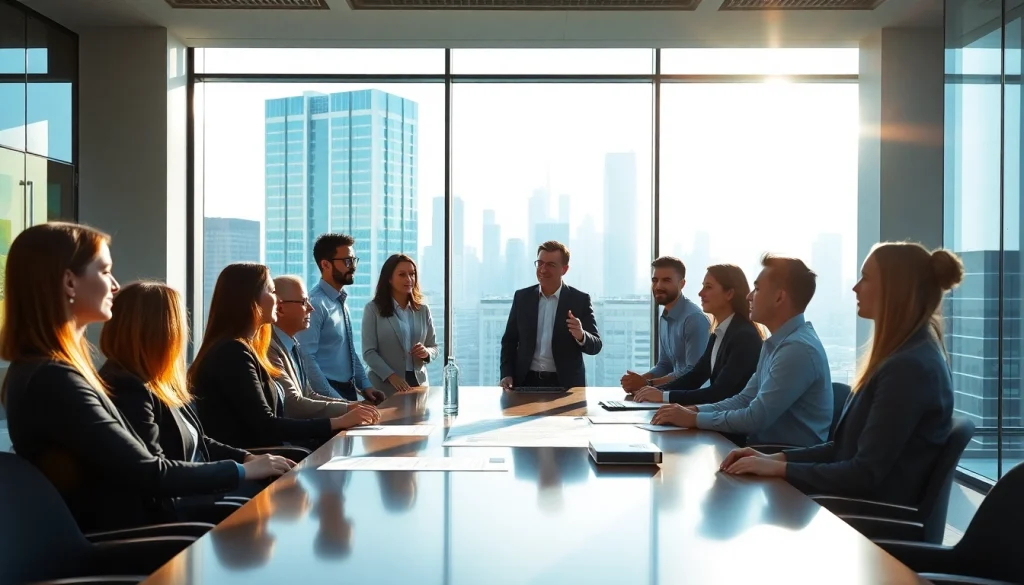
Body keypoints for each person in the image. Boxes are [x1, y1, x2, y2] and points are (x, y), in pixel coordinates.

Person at [0, 223, 288, 532]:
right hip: (131, 541)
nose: (114, 285)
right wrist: (242, 471)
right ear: (70, 282)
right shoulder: (53, 380)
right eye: (104, 271)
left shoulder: (48, 371)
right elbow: (148, 473)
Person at [720, 243, 960, 506]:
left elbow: (864, 474)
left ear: (895, 290)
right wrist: (772, 460)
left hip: (867, 521)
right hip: (854, 505)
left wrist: (779, 468)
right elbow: (843, 449)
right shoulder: (903, 357)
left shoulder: (909, 369)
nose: (855, 287)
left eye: (866, 278)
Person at [99, 281, 293, 503]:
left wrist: (246, 457)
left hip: (202, 491)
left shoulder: (156, 380)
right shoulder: (127, 387)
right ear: (164, 331)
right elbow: (156, 473)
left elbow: (199, 440)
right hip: (183, 507)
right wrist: (241, 471)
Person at [189, 262, 379, 451]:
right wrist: (337, 422)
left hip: (265, 455)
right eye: (272, 292)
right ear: (250, 299)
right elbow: (266, 425)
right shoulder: (233, 353)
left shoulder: (247, 349)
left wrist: (348, 411)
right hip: (255, 461)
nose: (278, 301)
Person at [650, 254, 832, 448]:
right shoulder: (776, 343)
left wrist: (693, 418)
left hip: (782, 458)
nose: (749, 296)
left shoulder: (796, 349)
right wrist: (693, 412)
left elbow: (755, 417)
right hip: (761, 452)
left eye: (758, 289)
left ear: (779, 297)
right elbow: (744, 399)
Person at [633, 264, 763, 405]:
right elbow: (695, 377)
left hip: (733, 421)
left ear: (729, 294)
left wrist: (664, 396)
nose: (700, 293)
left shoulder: (744, 337)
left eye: (708, 287)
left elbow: (719, 393)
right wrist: (652, 391)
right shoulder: (719, 332)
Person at [269, 275, 379, 422]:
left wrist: (353, 406)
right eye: (303, 302)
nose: (310, 308)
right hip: (294, 438)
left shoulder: (293, 344)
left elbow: (308, 394)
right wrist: (346, 410)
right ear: (280, 308)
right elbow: (293, 404)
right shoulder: (270, 349)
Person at [499, 241, 602, 390]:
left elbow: (596, 345)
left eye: (550, 265)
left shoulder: (579, 300)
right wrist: (506, 374)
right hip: (525, 382)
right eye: (540, 263)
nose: (543, 269)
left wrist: (581, 335)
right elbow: (509, 341)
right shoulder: (522, 298)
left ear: (564, 269)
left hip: (566, 386)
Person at [297, 233, 385, 404]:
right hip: (328, 395)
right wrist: (336, 400)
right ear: (325, 264)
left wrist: (366, 385)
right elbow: (307, 359)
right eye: (347, 261)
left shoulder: (340, 301)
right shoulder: (315, 304)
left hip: (347, 391)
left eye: (353, 260)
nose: (353, 267)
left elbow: (349, 351)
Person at [620, 257, 710, 393]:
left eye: (666, 280)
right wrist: (637, 380)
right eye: (655, 280)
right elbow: (665, 364)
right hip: (671, 396)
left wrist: (648, 383)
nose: (658, 286)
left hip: (692, 401)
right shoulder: (665, 316)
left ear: (682, 284)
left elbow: (693, 372)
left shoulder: (694, 319)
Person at [361, 254, 439, 397]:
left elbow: (434, 347)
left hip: (418, 385)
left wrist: (426, 352)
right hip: (384, 386)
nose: (409, 279)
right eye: (402, 275)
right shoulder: (373, 309)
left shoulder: (422, 309)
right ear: (389, 279)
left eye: (412, 274)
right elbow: (369, 353)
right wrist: (391, 376)